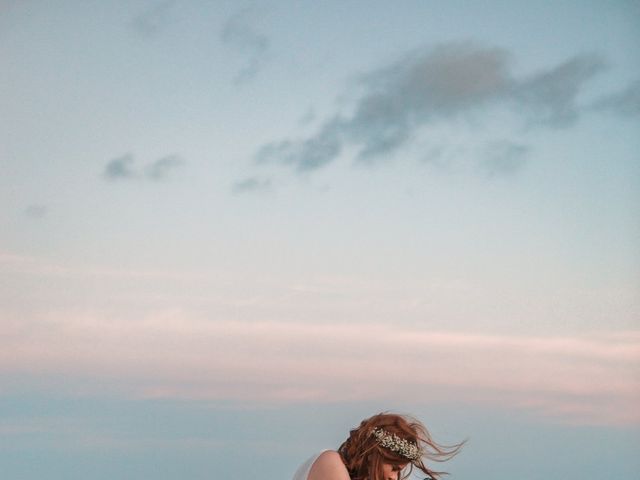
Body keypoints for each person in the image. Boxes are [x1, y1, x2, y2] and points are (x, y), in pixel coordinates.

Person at [292, 412, 463, 480]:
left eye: (399, 472)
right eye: (394, 468)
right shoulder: (330, 461)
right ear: (374, 454)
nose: (394, 478)